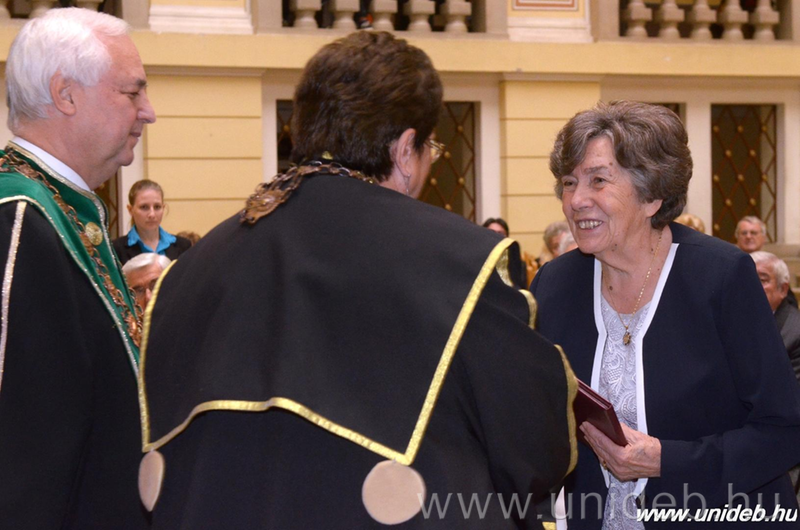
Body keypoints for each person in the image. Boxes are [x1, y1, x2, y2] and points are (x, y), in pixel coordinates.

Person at [139, 31, 577, 529]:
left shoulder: (190, 269)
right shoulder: (459, 262)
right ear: (406, 148)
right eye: (431, 148)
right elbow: (532, 441)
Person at [530, 101, 800, 529]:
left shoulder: (721, 277)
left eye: (598, 180)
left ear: (652, 195)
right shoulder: (555, 285)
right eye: (568, 182)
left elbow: (784, 430)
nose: (576, 200)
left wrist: (666, 460)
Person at [0, 8, 155, 529]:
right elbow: (19, 454)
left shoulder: (59, 208)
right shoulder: (19, 218)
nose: (148, 112)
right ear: (65, 94)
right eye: (132, 93)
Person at [113, 179, 191, 264]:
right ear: (130, 210)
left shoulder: (183, 246)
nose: (152, 214)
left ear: (163, 208)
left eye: (157, 207)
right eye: (144, 207)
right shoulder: (116, 250)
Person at [751, 251, 800, 381]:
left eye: (762, 280)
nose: (752, 285)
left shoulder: (796, 331)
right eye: (748, 279)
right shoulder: (732, 319)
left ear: (783, 289)